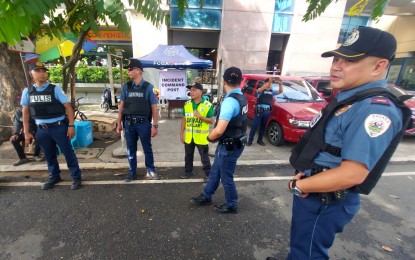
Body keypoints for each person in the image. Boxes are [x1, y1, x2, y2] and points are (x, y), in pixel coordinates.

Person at [268, 27, 412, 260]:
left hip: (324, 199)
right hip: (315, 188)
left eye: (349, 61)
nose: (336, 66)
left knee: (308, 254)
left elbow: (352, 174)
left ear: (378, 66)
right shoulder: (351, 98)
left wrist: (301, 186)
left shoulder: (374, 108)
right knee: (301, 247)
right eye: (336, 59)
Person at [191, 67, 248, 214]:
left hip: (229, 145)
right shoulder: (241, 97)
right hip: (235, 142)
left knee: (225, 175)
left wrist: (209, 137)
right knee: (216, 170)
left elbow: (219, 130)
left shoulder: (230, 101)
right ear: (240, 81)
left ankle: (232, 204)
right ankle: (207, 195)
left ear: (223, 81)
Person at [21, 62, 82, 190]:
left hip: (58, 127)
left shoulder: (55, 89)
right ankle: (54, 176)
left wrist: (71, 126)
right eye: (38, 71)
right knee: (49, 154)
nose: (42, 73)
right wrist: (26, 132)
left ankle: (76, 177)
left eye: (44, 71)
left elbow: (68, 107)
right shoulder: (28, 91)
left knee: (68, 153)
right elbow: (25, 112)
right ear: (31, 73)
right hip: (41, 129)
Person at [116, 59, 160, 181]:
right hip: (129, 124)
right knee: (131, 149)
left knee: (147, 148)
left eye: (130, 69)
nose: (128, 71)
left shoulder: (148, 87)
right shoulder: (126, 87)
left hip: (143, 124)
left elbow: (154, 108)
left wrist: (155, 126)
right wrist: (118, 123)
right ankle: (132, 171)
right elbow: (121, 106)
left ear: (138, 70)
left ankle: (150, 170)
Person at [180, 82, 215, 180]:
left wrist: (200, 117)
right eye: (190, 90)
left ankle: (209, 174)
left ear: (200, 92)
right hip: (189, 137)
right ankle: (188, 171)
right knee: (188, 156)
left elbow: (212, 120)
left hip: (201, 138)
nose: (191, 92)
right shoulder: (187, 104)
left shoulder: (207, 105)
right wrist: (181, 134)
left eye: (194, 90)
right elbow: (184, 120)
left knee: (204, 158)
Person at [247, 77, 283, 146]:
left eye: (271, 84)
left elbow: (280, 91)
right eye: (269, 83)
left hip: (267, 112)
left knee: (263, 127)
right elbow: (259, 91)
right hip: (259, 111)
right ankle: (250, 140)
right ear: (265, 83)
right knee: (254, 126)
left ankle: (260, 140)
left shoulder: (271, 92)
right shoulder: (260, 90)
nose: (270, 85)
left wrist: (280, 84)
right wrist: (269, 82)